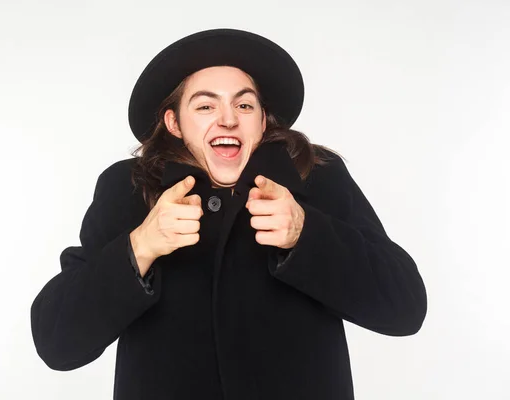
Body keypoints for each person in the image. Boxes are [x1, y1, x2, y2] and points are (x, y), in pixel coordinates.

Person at [30, 28, 428, 400]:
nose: (228, 118)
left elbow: (404, 307)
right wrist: (139, 247)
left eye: (244, 103)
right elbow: (56, 341)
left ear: (262, 119)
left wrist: (307, 235)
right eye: (205, 105)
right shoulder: (129, 189)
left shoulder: (316, 178)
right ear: (174, 123)